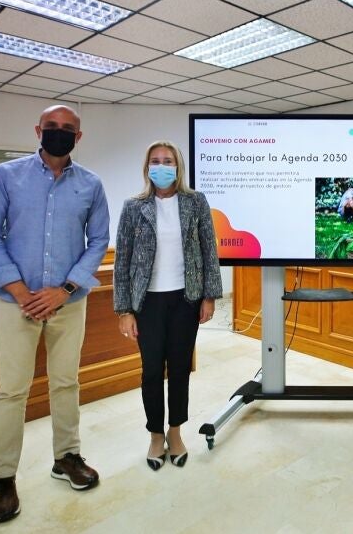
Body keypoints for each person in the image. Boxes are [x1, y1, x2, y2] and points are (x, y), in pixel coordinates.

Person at [0, 105, 109, 524]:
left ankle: (66, 457)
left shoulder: (90, 184)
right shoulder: (7, 175)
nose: (58, 133)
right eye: (51, 127)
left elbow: (99, 240)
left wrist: (63, 290)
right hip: (14, 304)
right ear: (38, 130)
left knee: (66, 382)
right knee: (12, 391)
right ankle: (2, 479)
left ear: (78, 137)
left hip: (68, 303)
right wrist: (20, 291)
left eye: (68, 129)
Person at [113, 140, 222, 471]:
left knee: (179, 369)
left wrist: (209, 296)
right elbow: (122, 260)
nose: (162, 166)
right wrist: (124, 310)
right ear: (147, 168)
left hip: (185, 299)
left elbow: (209, 250)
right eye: (156, 161)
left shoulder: (195, 202)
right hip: (147, 302)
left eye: (168, 160)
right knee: (151, 371)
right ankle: (155, 435)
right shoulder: (134, 207)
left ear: (178, 166)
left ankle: (175, 432)